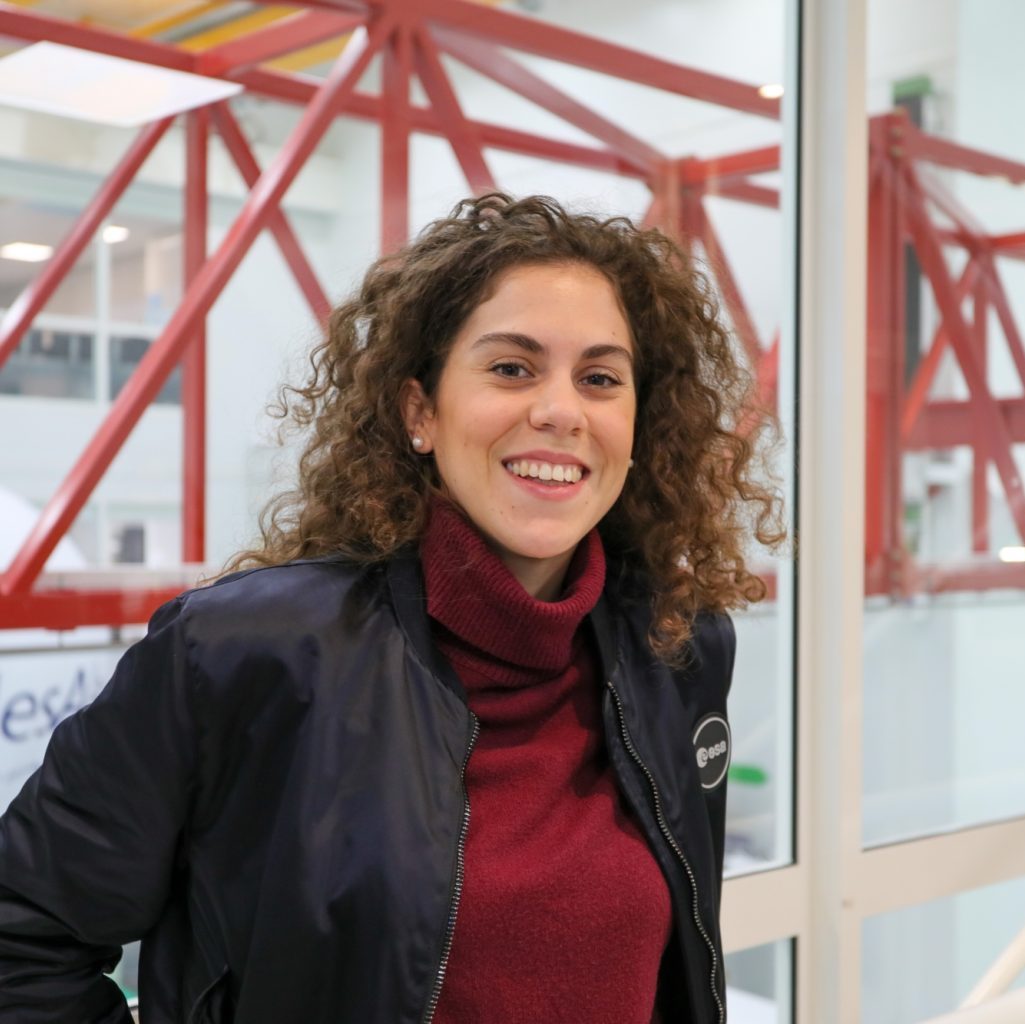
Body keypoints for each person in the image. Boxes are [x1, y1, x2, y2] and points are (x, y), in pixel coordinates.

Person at [0, 193, 782, 1023]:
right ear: (420, 413)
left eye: (599, 379)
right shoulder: (243, 652)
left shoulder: (678, 647)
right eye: (511, 368)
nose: (560, 411)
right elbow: (21, 944)